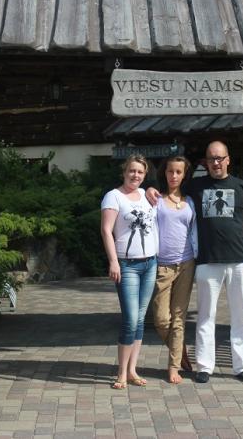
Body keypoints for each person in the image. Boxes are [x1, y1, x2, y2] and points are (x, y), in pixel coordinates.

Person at [147, 141, 243, 383]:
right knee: (206, 316)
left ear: (228, 159)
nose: (216, 162)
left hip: (239, 261)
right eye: (211, 158)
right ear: (206, 162)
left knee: (240, 315)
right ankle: (205, 366)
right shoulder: (196, 186)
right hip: (207, 261)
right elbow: (171, 187)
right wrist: (150, 190)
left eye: (219, 158)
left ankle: (242, 366)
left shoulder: (242, 187)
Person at [101, 155, 158, 389]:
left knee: (141, 318)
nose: (136, 175)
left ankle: (133, 370)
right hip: (127, 265)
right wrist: (113, 261)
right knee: (131, 318)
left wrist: (151, 189)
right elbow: (106, 230)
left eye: (140, 172)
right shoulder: (113, 196)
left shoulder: (146, 194)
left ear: (145, 175)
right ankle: (121, 373)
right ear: (124, 172)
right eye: (132, 171)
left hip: (150, 263)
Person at [152, 156, 198, 384]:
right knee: (161, 319)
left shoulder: (190, 202)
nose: (174, 176)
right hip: (162, 266)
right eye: (171, 171)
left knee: (179, 317)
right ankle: (180, 352)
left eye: (179, 172)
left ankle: (173, 367)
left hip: (186, 264)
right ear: (165, 173)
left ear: (184, 175)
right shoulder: (155, 200)